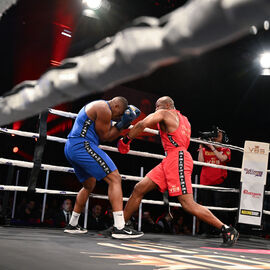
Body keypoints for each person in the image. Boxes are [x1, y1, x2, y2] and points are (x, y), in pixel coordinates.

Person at [117, 96, 239, 246]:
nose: (156, 109)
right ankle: (120, 226)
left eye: (158, 105)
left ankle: (226, 229)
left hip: (177, 158)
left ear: (167, 105)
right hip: (171, 159)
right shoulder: (185, 120)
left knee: (187, 203)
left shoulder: (165, 113)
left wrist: (126, 139)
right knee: (139, 188)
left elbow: (142, 124)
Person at [64, 97, 143, 239]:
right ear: (117, 106)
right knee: (115, 178)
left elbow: (107, 134)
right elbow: (106, 136)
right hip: (82, 145)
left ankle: (73, 224)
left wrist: (122, 124)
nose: (117, 118)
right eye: (119, 115)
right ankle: (119, 227)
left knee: (89, 185)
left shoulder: (100, 106)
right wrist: (123, 123)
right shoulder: (104, 108)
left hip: (72, 146)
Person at [198, 129, 231, 236]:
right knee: (206, 207)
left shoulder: (226, 149)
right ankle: (206, 231)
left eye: (219, 135)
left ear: (223, 138)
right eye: (215, 135)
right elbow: (200, 162)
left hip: (219, 182)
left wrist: (212, 147)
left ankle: (222, 230)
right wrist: (201, 145)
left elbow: (222, 158)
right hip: (205, 182)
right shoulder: (205, 148)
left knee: (219, 208)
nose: (216, 137)